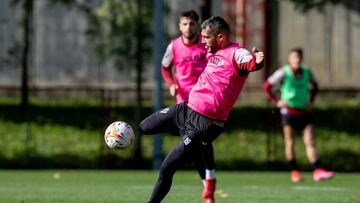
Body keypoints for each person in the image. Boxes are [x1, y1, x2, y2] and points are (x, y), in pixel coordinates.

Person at [140, 16, 264, 203]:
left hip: (206, 123)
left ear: (220, 37)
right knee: (144, 127)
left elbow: (248, 62)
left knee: (167, 168)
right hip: (186, 109)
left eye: (206, 37)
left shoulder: (236, 53)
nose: (203, 41)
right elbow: (167, 66)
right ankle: (188, 140)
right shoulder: (212, 52)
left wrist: (257, 62)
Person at [143, 10, 214, 194]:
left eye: (191, 24)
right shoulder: (173, 46)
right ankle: (207, 182)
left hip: (203, 103)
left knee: (196, 144)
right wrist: (171, 83)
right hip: (184, 105)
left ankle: (207, 184)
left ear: (197, 25)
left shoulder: (205, 45)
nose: (188, 27)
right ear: (179, 26)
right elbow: (165, 67)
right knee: (195, 145)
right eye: (184, 24)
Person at [262, 48, 334, 182]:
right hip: (288, 112)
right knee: (290, 142)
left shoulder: (307, 72)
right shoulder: (283, 72)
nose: (297, 59)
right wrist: (277, 101)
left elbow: (315, 87)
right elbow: (266, 86)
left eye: (299, 57)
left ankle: (317, 170)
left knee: (310, 141)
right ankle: (295, 172)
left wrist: (310, 102)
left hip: (304, 112)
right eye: (294, 57)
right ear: (290, 59)